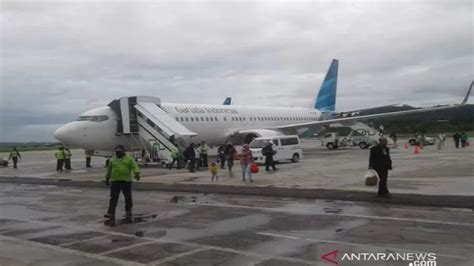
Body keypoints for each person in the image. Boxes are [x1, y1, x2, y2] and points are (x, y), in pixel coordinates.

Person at [104, 145, 140, 225]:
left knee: (127, 197)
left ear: (124, 151)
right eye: (116, 152)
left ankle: (128, 210)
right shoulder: (112, 159)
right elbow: (109, 169)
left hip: (126, 181)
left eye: (119, 152)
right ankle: (111, 213)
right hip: (115, 181)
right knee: (113, 198)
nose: (118, 153)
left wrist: (137, 173)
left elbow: (135, 166)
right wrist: (107, 178)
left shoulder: (129, 159)